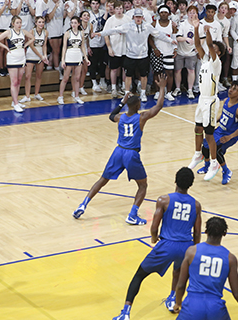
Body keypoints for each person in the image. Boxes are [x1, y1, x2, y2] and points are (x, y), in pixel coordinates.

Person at [112, 167, 202, 320]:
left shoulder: (164, 200)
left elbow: (154, 226)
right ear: (191, 184)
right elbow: (197, 232)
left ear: (175, 180)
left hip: (167, 244)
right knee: (178, 272)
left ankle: (125, 313)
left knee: (139, 275)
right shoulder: (196, 205)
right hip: (187, 246)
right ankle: (173, 299)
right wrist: (194, 250)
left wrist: (154, 238)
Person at [72, 75, 168, 225]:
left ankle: (82, 205)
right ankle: (132, 214)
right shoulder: (141, 117)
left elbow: (111, 116)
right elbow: (159, 106)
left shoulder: (121, 117)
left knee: (102, 180)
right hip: (131, 154)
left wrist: (121, 102)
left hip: (118, 151)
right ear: (137, 106)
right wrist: (162, 88)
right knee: (143, 185)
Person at [169, 216, 238, 320]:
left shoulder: (191, 252)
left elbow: (180, 284)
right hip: (215, 307)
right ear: (225, 233)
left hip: (193, 305)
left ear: (205, 231)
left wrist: (178, 303)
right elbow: (237, 293)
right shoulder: (230, 258)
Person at [187, 15, 226, 182]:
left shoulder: (216, 63)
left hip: (210, 100)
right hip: (201, 99)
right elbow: (197, 44)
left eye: (215, 49)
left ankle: (215, 163)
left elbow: (209, 44)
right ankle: (197, 155)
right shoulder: (204, 60)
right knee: (197, 129)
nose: (211, 50)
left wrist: (207, 32)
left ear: (218, 53)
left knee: (209, 134)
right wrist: (195, 28)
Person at [196, 81, 238, 185]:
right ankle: (207, 165)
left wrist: (229, 137)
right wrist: (213, 123)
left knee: (218, 151)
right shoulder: (225, 100)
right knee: (205, 145)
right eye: (231, 87)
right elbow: (223, 116)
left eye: (235, 89)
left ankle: (226, 171)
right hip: (220, 130)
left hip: (231, 135)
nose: (230, 90)